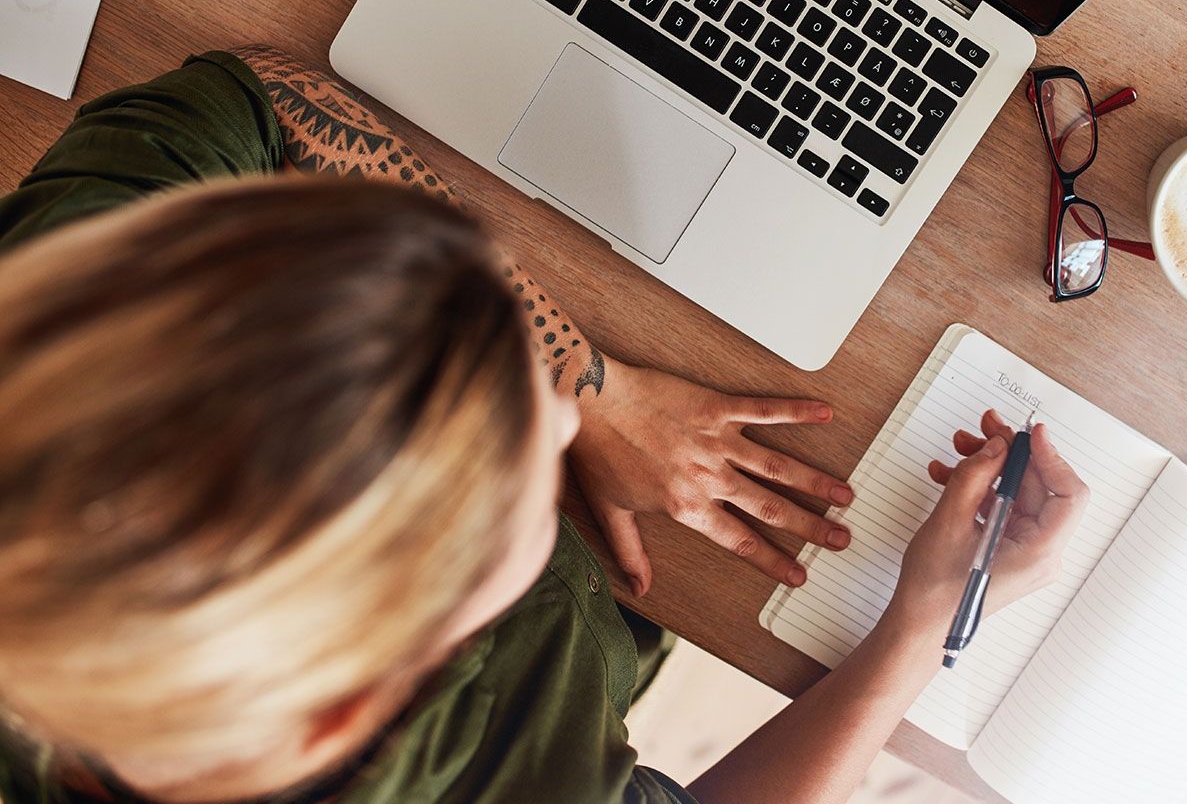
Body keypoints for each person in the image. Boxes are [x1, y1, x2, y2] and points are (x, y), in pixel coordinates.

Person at [0, 49, 1089, 803]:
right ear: (357, 716)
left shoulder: (53, 325)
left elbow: (253, 94)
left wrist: (593, 382)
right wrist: (918, 631)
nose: (567, 432)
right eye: (528, 468)